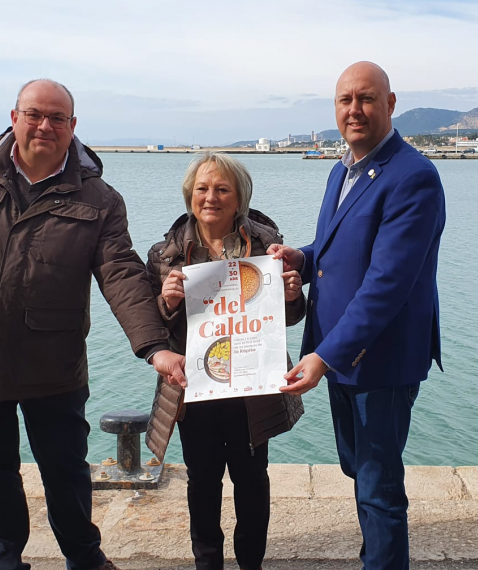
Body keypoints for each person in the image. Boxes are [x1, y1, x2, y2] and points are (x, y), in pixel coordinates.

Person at [0, 78, 186, 570]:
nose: (45, 126)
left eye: (58, 118)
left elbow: (119, 273)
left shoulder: (100, 199)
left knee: (65, 470)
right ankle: (7, 561)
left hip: (51, 362)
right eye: (35, 114)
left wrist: (155, 348)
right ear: (14, 118)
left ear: (73, 128)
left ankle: (85, 559)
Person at [269, 62, 446, 570]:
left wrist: (323, 356)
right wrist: (302, 259)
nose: (355, 110)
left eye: (366, 99)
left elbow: (388, 283)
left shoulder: (414, 177)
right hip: (341, 351)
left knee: (378, 484)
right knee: (359, 469)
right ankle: (377, 554)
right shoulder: (342, 168)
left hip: (379, 358)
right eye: (345, 100)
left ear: (390, 104)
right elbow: (340, 249)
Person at [143, 152, 306, 570]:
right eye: (202, 189)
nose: (210, 197)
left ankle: (251, 563)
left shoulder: (268, 247)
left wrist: (291, 294)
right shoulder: (164, 255)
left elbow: (285, 318)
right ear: (189, 196)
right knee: (202, 482)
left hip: (253, 388)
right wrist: (167, 301)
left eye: (221, 189)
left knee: (252, 481)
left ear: (239, 199)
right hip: (194, 388)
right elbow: (151, 329)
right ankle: (207, 564)